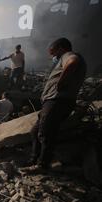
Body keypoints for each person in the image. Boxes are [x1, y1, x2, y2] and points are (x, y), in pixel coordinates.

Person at [29, 38, 86, 170]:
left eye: (53, 52)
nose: (52, 56)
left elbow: (72, 62)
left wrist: (60, 83)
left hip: (57, 100)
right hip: (52, 101)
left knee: (45, 132)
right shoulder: (62, 58)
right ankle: (34, 160)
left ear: (61, 48)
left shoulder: (69, 55)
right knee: (35, 131)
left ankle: (43, 165)